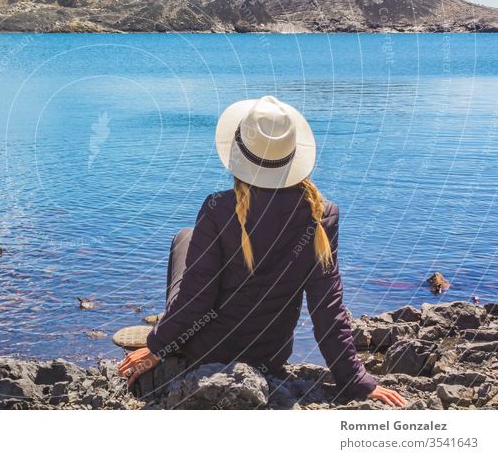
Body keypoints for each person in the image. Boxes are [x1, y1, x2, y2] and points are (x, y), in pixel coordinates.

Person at [119, 95, 407, 407]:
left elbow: (196, 300)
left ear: (239, 152)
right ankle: (170, 327)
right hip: (269, 355)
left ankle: (168, 329)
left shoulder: (218, 209)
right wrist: (355, 380)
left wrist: (157, 347)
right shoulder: (322, 214)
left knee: (184, 238)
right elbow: (327, 309)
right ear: (292, 156)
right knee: (193, 246)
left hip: (206, 352)